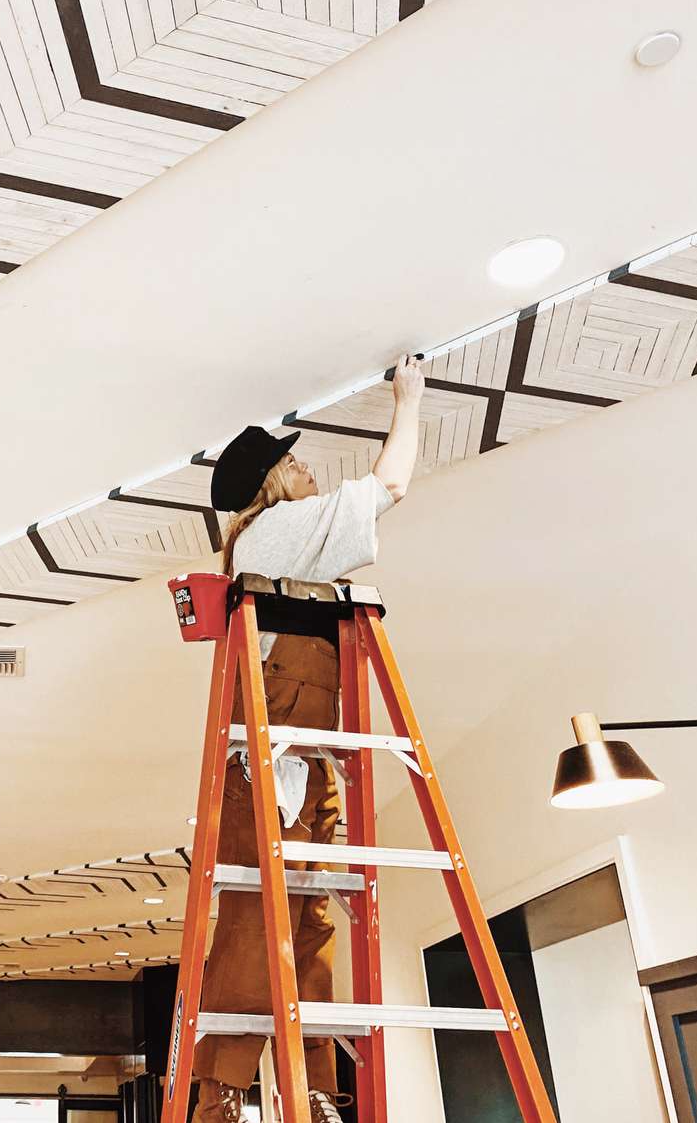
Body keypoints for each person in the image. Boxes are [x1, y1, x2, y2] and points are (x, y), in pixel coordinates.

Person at [194, 354, 426, 1123]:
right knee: (263, 920)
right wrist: (409, 397)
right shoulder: (273, 536)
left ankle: (317, 1084)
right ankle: (224, 1085)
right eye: (289, 462)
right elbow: (390, 485)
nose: (303, 466)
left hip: (304, 750)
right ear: (269, 487)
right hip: (274, 757)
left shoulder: (277, 540)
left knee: (310, 920)